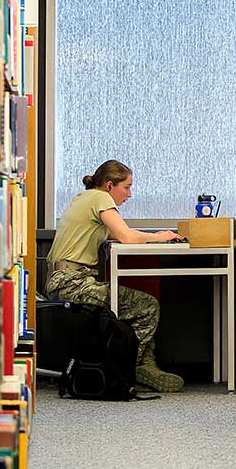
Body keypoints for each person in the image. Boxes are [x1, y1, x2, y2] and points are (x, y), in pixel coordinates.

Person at [45, 159, 184, 392]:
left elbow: (120, 234)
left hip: (65, 279)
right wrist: (162, 237)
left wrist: (156, 235)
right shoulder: (100, 199)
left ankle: (144, 364)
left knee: (138, 304)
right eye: (126, 187)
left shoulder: (85, 198)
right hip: (71, 282)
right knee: (147, 306)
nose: (129, 194)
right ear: (109, 185)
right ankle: (131, 365)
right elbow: (127, 237)